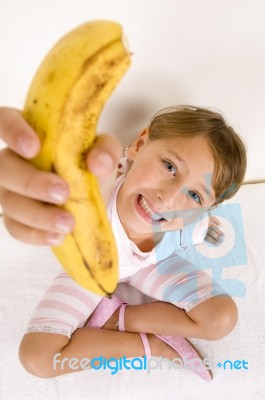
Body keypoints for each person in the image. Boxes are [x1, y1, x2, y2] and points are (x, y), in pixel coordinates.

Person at [0, 105, 246, 381]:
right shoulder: (96, 194)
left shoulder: (185, 225)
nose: (167, 198)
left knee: (221, 317)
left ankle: (119, 320)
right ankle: (152, 346)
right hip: (90, 272)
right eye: (169, 167)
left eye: (195, 196)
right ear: (139, 145)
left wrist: (206, 228)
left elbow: (198, 224)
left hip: (152, 265)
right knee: (38, 358)